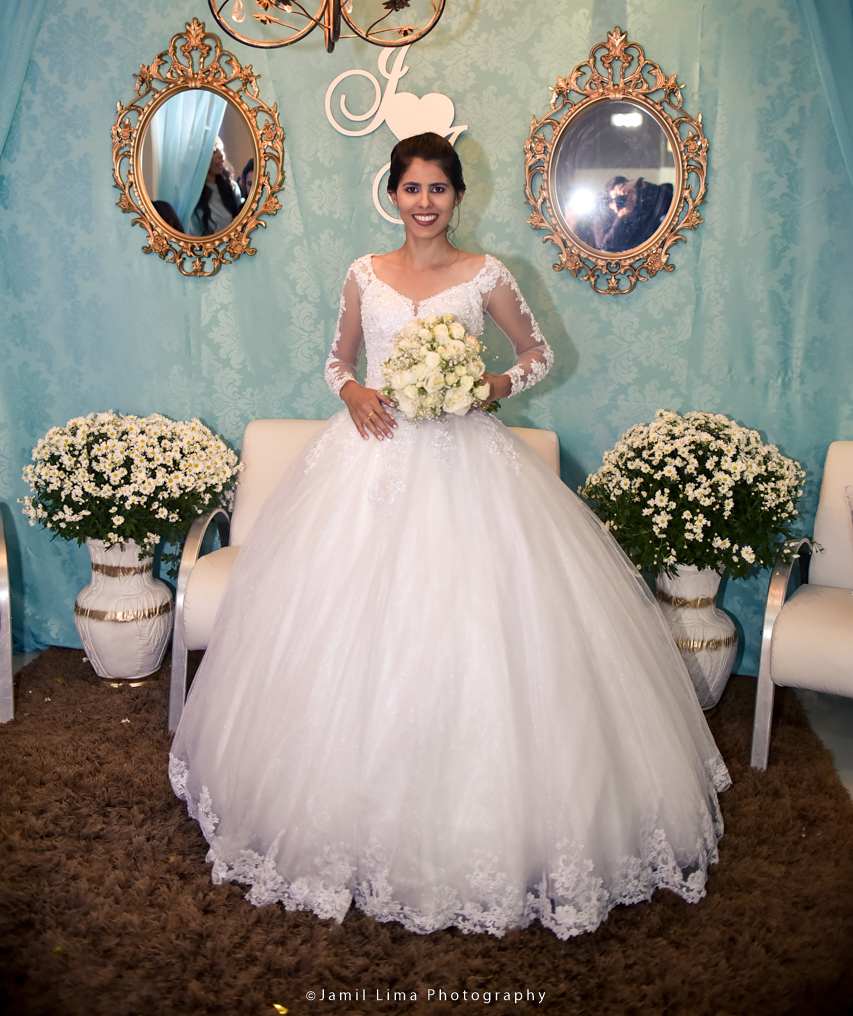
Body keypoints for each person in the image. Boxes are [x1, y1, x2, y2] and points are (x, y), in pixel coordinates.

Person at [170, 132, 729, 941]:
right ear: (391, 195)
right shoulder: (364, 273)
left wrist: (490, 384)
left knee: (484, 631)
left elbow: (537, 354)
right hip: (369, 463)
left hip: (467, 462)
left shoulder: (487, 274)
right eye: (411, 188)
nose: (424, 202)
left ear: (458, 196)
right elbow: (335, 362)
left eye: (438, 188)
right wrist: (354, 392)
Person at [192, 138, 244, 235]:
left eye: (222, 149)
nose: (221, 155)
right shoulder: (191, 194)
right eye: (214, 151)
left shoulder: (231, 187)